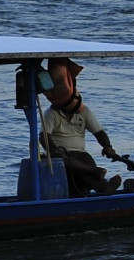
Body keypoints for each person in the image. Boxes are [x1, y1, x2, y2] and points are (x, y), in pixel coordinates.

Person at [40, 58, 125, 196]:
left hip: (81, 154)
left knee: (85, 166)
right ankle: (97, 177)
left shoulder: (84, 112)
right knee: (69, 163)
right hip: (62, 155)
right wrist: (54, 151)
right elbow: (43, 137)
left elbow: (99, 133)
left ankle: (103, 187)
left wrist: (107, 147)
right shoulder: (51, 114)